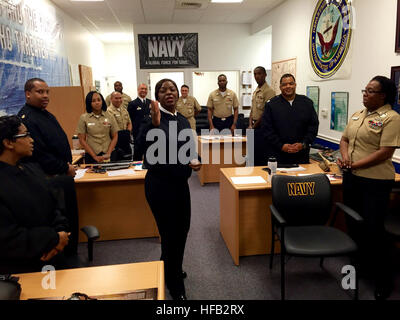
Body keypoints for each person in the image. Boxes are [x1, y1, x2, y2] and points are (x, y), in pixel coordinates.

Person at [136, 79, 201, 300]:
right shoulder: (151, 119)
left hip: (180, 185)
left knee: (182, 230)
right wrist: (154, 125)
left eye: (172, 89)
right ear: (157, 96)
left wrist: (196, 159)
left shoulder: (182, 120)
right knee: (170, 235)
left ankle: (169, 267)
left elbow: (190, 148)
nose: (169, 93)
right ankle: (174, 285)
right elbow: (141, 146)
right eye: (163, 91)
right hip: (160, 187)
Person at [338, 76, 400, 300]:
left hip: (374, 181)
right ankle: (361, 266)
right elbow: (344, 139)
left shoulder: (392, 118)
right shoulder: (358, 115)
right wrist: (345, 159)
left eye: (371, 91)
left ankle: (384, 280)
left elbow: (385, 152)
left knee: (374, 229)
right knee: (354, 225)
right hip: (352, 178)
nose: (365, 94)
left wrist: (353, 164)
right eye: (365, 89)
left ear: (383, 95)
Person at [0, 115, 71, 274]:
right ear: (8, 143)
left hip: (54, 256)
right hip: (22, 268)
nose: (32, 140)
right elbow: (8, 238)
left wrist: (61, 235)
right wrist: (53, 239)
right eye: (25, 135)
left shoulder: (31, 169)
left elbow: (55, 206)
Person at [17, 78, 76, 177]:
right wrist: (65, 168)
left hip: (61, 172)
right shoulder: (28, 119)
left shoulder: (44, 114)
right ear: (28, 94)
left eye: (47, 92)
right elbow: (38, 154)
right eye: (40, 92)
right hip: (47, 177)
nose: (45, 96)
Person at [261, 74, 319, 165]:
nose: (288, 86)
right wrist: (281, 146)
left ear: (295, 85)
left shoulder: (307, 103)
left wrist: (303, 144)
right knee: (278, 179)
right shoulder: (271, 105)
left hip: (301, 155)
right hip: (278, 155)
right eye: (284, 84)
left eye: (291, 83)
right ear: (280, 87)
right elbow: (267, 129)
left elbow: (313, 127)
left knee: (302, 179)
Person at [76, 91, 118, 164]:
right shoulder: (84, 118)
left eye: (99, 100)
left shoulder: (110, 116)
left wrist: (108, 153)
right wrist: (94, 156)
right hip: (91, 155)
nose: (97, 103)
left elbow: (115, 136)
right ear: (89, 103)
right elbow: (82, 140)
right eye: (93, 101)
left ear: (102, 101)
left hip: (109, 154)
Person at [248, 67, 276, 166]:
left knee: (261, 152)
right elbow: (253, 108)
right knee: (253, 152)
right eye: (255, 74)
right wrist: (250, 123)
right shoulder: (256, 90)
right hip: (254, 125)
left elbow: (266, 112)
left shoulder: (269, 91)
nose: (257, 76)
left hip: (262, 126)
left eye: (259, 74)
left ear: (265, 75)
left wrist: (254, 126)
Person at [128, 83, 152, 160]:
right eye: (142, 89)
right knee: (137, 154)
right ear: (138, 90)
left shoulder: (150, 102)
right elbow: (130, 119)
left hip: (149, 132)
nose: (143, 91)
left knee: (149, 153)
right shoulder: (132, 104)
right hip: (138, 133)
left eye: (145, 89)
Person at [107, 91, 133, 160]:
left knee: (128, 162)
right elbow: (112, 128)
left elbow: (129, 123)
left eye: (120, 98)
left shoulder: (124, 110)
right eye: (116, 98)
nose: (119, 100)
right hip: (115, 143)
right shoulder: (108, 111)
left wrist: (128, 133)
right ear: (111, 99)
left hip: (126, 140)